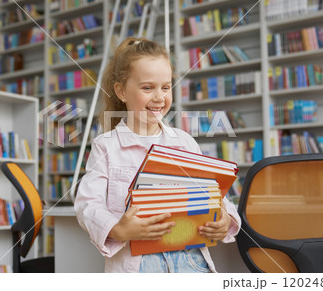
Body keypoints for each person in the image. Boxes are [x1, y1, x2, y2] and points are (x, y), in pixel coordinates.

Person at [74, 37, 241, 273]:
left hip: (190, 260)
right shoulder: (106, 146)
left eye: (166, 87)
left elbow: (214, 194)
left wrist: (225, 219)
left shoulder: (184, 142)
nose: (159, 97)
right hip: (138, 266)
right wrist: (118, 230)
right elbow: (88, 205)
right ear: (121, 91)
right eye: (147, 88)